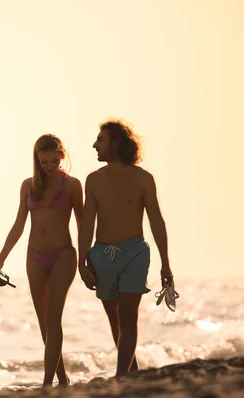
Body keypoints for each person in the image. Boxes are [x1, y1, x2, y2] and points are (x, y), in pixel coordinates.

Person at [77, 119, 174, 376]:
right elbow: (87, 223)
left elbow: (156, 220)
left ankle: (121, 377)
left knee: (128, 313)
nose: (95, 145)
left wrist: (166, 263)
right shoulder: (94, 180)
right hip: (102, 254)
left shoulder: (143, 178)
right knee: (114, 318)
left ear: (115, 143)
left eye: (100, 140)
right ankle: (132, 373)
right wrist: (81, 261)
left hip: (135, 253)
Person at [0, 134, 83, 387]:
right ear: (36, 159)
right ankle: (62, 378)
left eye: (54, 160)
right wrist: (0, 260)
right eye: (44, 162)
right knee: (43, 323)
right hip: (34, 256)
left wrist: (86, 260)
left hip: (63, 254)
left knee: (53, 319)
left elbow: (82, 224)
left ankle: (46, 384)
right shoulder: (28, 186)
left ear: (62, 156)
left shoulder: (73, 185)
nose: (49, 166)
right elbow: (19, 224)